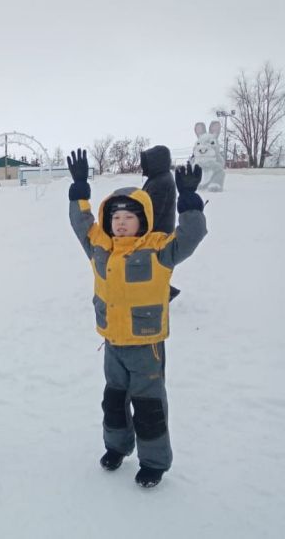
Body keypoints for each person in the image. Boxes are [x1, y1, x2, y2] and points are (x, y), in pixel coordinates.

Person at [67, 148, 207, 488]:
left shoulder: (158, 248)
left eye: (129, 217)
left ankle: (154, 462)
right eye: (115, 217)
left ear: (142, 220)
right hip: (113, 343)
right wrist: (80, 189)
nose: (120, 222)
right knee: (113, 401)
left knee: (148, 407)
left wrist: (189, 199)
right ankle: (116, 447)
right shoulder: (101, 247)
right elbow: (82, 224)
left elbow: (190, 237)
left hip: (146, 346)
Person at [140, 145, 180, 300]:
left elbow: (153, 211)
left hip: (157, 231)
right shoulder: (159, 178)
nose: (143, 166)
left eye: (146, 162)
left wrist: (142, 228)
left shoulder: (160, 182)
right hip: (160, 228)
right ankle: (164, 290)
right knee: (154, 264)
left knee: (153, 264)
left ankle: (163, 292)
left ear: (155, 162)